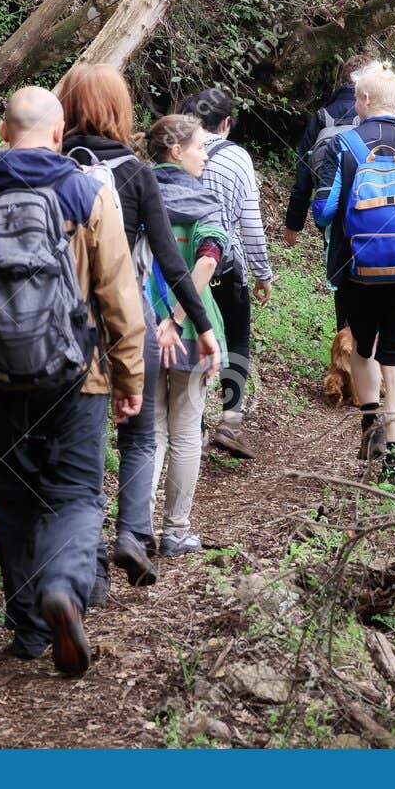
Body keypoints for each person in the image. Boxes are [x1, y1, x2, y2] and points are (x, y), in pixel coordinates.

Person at [0, 86, 144, 677]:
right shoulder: (88, 194)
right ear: (58, 135)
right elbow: (119, 299)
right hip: (81, 377)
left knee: (15, 500)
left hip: (2, 378)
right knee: (76, 493)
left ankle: (28, 629)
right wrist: (130, 377)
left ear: (3, 134)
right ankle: (63, 587)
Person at [58, 63, 221, 592]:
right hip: (132, 326)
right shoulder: (134, 172)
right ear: (118, 110)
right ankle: (132, 532)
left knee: (78, 443)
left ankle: (81, 568)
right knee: (139, 437)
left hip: (63, 327)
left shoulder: (51, 168)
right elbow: (173, 262)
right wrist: (202, 326)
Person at [314, 60, 395, 485]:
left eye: (356, 97)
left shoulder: (343, 145)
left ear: (366, 101)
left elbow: (323, 210)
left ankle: (369, 425)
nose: (354, 104)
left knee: (363, 350)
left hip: (356, 272)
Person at [145, 114, 231, 558]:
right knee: (184, 430)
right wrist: (179, 319)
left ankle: (137, 529)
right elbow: (208, 261)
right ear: (175, 150)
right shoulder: (203, 200)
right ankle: (175, 530)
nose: (204, 155)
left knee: (150, 432)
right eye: (199, 147)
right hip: (188, 333)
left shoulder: (132, 192)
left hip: (138, 328)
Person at [182, 87, 274, 457]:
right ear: (225, 123)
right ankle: (231, 420)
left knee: (190, 335)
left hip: (179, 266)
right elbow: (250, 224)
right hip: (223, 267)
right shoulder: (236, 157)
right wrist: (262, 273)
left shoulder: (170, 146)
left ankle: (194, 425)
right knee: (236, 339)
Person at [284, 56, 363, 247]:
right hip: (366, 206)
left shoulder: (322, 116)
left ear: (342, 80)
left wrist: (294, 222)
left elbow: (304, 171)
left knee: (333, 257)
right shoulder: (373, 117)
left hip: (329, 205)